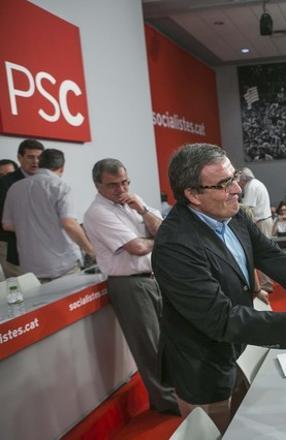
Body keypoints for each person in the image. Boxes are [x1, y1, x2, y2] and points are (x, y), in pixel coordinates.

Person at [151, 143, 286, 433]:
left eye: (235, 177)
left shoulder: (234, 213)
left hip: (239, 345)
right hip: (202, 364)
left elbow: (271, 255)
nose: (237, 189)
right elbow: (219, 318)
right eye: (225, 184)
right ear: (193, 194)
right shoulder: (174, 245)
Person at [83, 158, 178, 415]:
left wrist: (143, 211)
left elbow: (164, 230)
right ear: (97, 185)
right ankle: (166, 401)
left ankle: (177, 393)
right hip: (128, 284)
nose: (121, 189)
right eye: (113, 185)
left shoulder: (132, 202)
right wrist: (155, 239)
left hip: (153, 278)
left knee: (167, 340)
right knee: (149, 346)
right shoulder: (97, 212)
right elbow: (136, 248)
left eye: (125, 182)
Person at [2, 149, 94, 282]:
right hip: (64, 264)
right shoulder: (60, 186)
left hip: (31, 267)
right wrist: (91, 251)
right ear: (61, 168)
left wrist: (34, 225)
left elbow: (7, 225)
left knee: (43, 303)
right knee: (71, 302)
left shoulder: (15, 188)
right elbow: (69, 224)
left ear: (39, 164)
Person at [0, 139, 45, 277]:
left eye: (39, 157)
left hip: (43, 245)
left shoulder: (46, 180)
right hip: (13, 246)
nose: (35, 161)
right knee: (25, 290)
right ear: (19, 158)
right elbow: (4, 219)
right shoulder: (5, 183)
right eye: (30, 157)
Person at [238, 167, 273, 237]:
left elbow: (247, 208)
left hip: (262, 222)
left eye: (239, 181)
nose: (238, 184)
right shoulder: (255, 183)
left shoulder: (251, 186)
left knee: (263, 247)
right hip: (264, 221)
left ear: (243, 179)